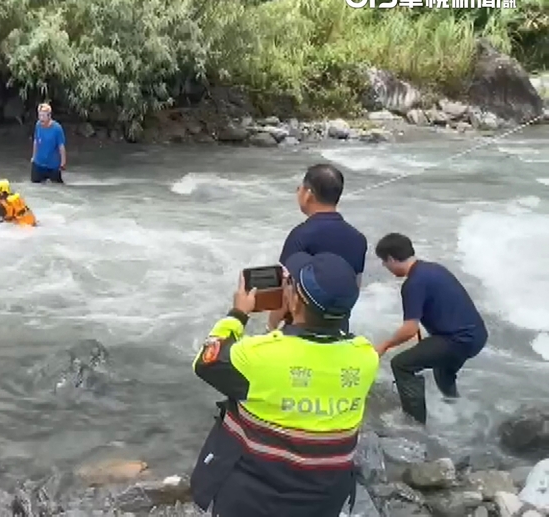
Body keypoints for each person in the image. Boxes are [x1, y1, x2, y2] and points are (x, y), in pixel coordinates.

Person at [189, 252, 378, 517]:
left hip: (253, 499)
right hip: (324, 500)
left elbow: (206, 361)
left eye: (289, 283)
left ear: (295, 299)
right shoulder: (366, 356)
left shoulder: (259, 354)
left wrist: (238, 314)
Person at [373, 232, 488, 425]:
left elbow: (410, 329)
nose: (385, 266)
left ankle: (414, 424)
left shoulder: (413, 283)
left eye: (384, 262)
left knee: (401, 364)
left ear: (392, 259)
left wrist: (384, 345)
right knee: (442, 369)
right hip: (477, 335)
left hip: (457, 340)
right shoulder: (433, 269)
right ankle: (456, 410)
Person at [268, 163, 367, 333]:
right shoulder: (358, 239)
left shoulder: (300, 235)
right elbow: (354, 288)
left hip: (301, 332)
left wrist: (271, 327)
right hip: (338, 329)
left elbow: (285, 292)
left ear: (308, 194)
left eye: (300, 188)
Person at [31, 103, 66, 183]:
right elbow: (36, 141)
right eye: (39, 115)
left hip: (53, 165)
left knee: (58, 187)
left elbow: (61, 147)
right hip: (38, 163)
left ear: (49, 116)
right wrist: (33, 157)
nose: (41, 118)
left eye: (43, 116)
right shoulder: (38, 125)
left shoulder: (57, 128)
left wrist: (63, 163)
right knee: (34, 186)